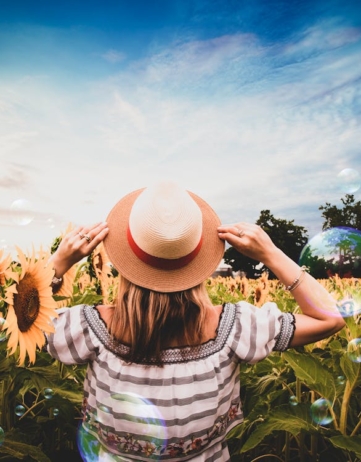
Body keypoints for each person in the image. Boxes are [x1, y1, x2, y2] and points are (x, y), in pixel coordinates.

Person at [47, 182, 345, 462]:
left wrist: (58, 264)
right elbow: (329, 318)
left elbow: (19, 320)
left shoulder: (89, 327)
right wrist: (271, 253)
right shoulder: (235, 327)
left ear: (127, 261)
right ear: (198, 261)